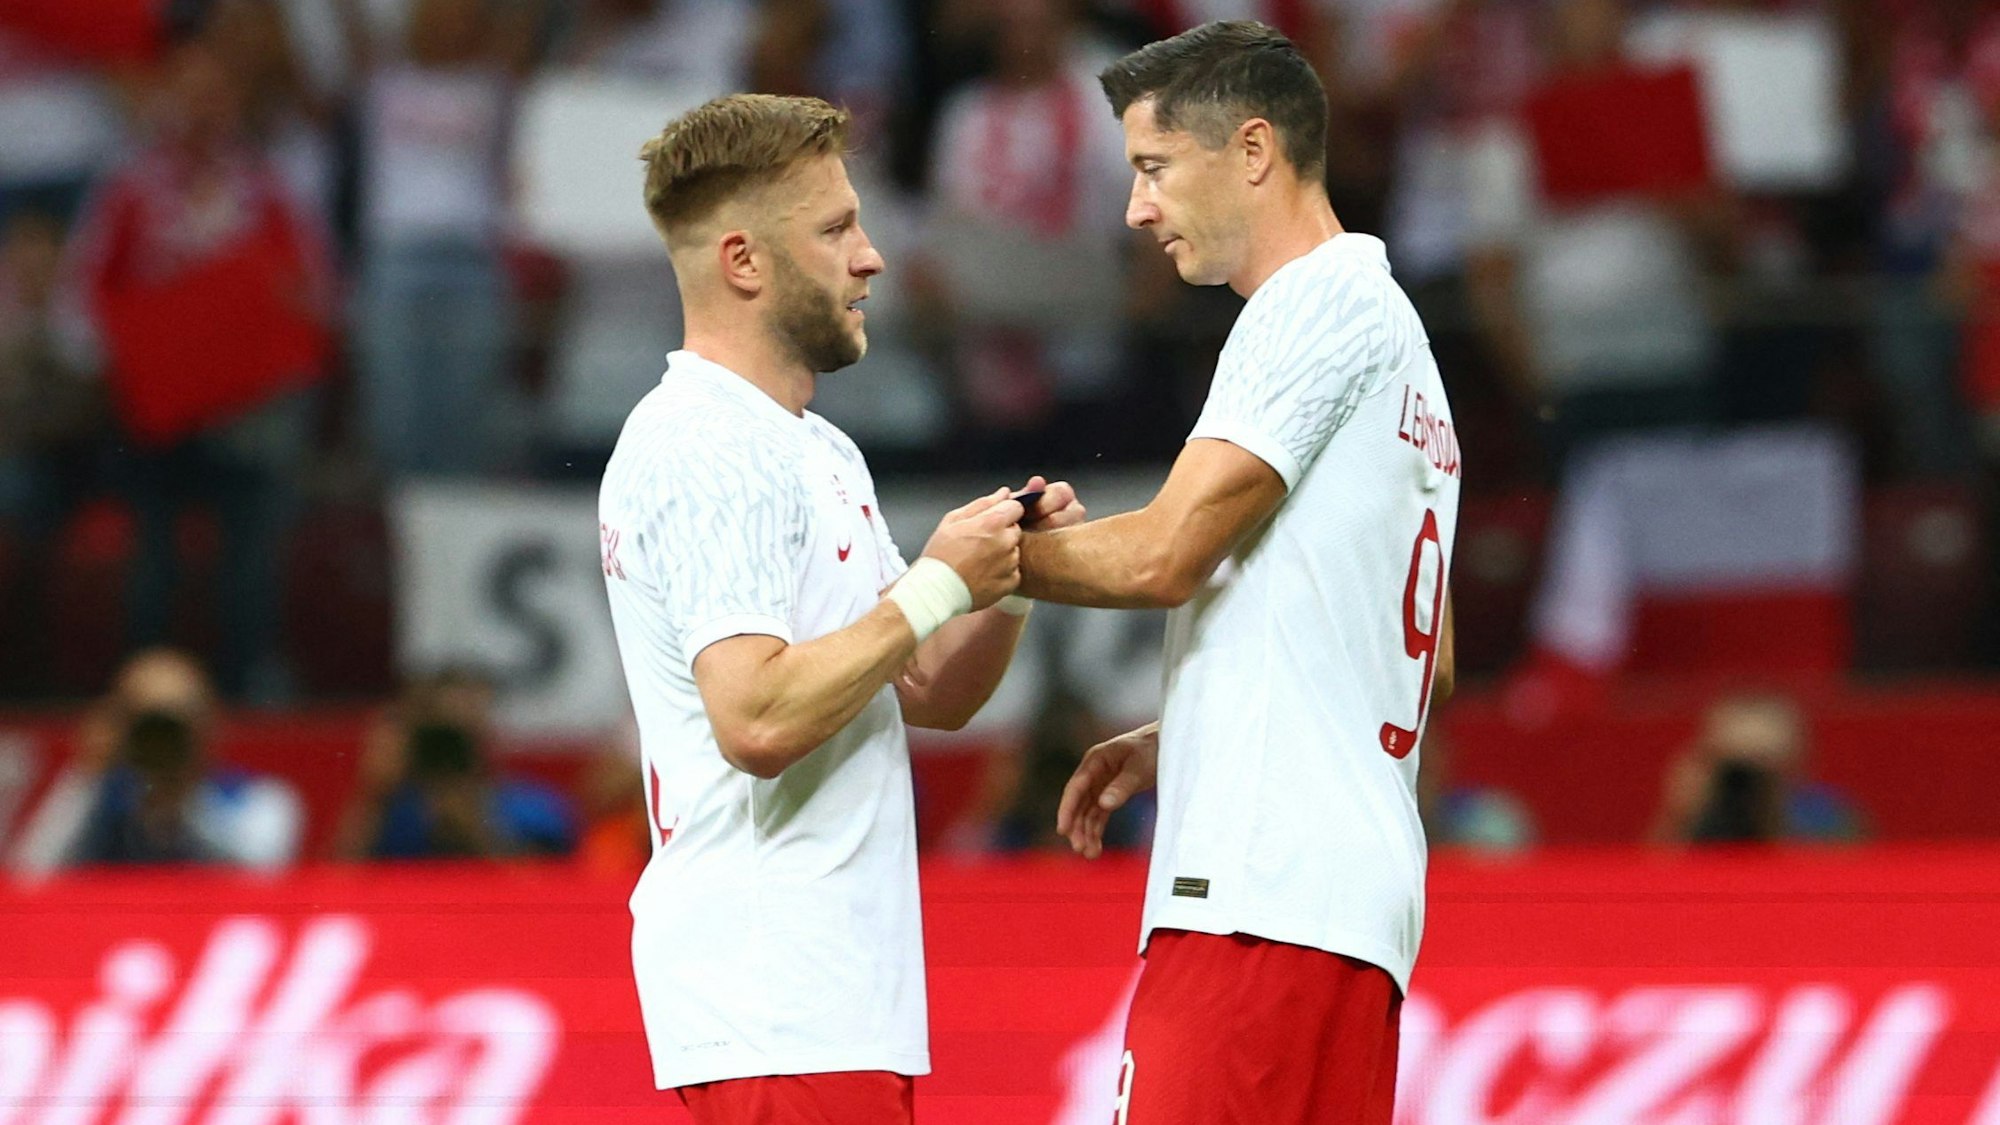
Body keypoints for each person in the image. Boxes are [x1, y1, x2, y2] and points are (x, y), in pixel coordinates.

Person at [598, 93, 1082, 1124]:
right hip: (776, 997)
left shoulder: (812, 447)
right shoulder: (701, 444)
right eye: (835, 230)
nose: (871, 258)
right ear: (742, 262)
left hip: (834, 1001)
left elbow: (927, 689)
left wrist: (1004, 581)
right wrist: (936, 581)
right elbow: (756, 718)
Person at [1018, 22, 1461, 1124]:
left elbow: (1166, 553)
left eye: (1153, 167)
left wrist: (966, 567)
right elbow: (1429, 662)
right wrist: (1200, 722)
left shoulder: (1305, 306)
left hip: (1255, 905)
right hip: (1353, 919)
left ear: (1251, 150)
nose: (1135, 208)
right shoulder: (1404, 349)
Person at [7, 648, 302, 875]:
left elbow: (261, 884)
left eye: (174, 723)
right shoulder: (103, 799)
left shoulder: (260, 800)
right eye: (145, 722)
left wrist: (180, 804)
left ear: (209, 724)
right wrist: (87, 772)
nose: (160, 740)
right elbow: (31, 879)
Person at [332, 667, 578, 861]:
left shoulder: (535, 809)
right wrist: (375, 793)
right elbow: (340, 888)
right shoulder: (396, 813)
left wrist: (476, 831)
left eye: (461, 735)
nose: (448, 751)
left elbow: (545, 897)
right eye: (440, 735)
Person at [1649, 691, 1867, 846]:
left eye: (1760, 767)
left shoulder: (1825, 818)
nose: (1746, 783)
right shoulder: (1700, 813)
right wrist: (1680, 817)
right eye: (1734, 769)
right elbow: (1658, 878)